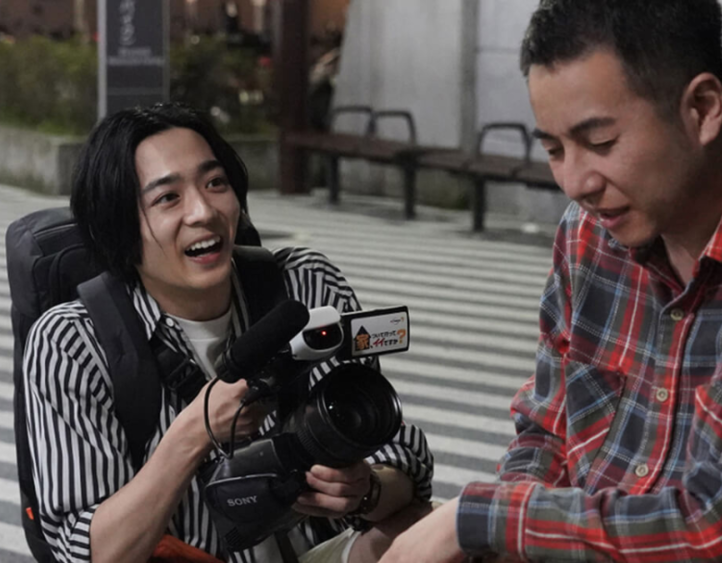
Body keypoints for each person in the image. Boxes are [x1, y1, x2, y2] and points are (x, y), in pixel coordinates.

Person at [381, 1, 722, 561]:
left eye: (600, 143)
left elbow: (719, 530)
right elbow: (547, 429)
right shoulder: (589, 232)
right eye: (553, 149)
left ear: (702, 109)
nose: (575, 182)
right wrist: (498, 536)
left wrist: (481, 517)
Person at [23, 103, 434, 563]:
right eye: (168, 198)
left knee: (452, 532)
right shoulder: (74, 343)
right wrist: (194, 432)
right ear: (120, 228)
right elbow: (91, 553)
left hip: (324, 550)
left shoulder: (304, 287)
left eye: (215, 183)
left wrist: (366, 490)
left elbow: (400, 455)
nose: (203, 211)